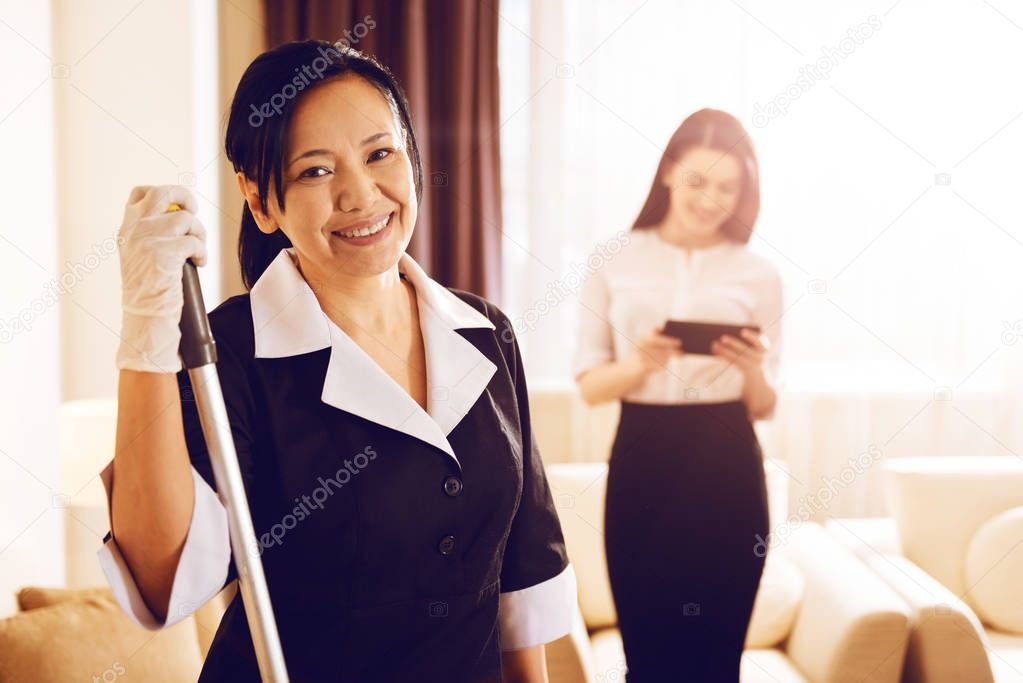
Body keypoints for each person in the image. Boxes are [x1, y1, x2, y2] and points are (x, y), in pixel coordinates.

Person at [99, 40, 576, 683]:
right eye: (315, 171)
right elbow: (162, 578)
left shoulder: (487, 333)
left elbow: (523, 587)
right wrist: (147, 334)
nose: (360, 194)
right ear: (260, 199)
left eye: (380, 154)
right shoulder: (231, 354)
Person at [573, 109, 784, 682]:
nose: (710, 198)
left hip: (730, 464)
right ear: (667, 172)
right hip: (644, 455)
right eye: (697, 180)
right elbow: (590, 385)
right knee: (646, 651)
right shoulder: (612, 258)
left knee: (718, 657)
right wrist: (640, 362)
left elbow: (765, 405)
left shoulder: (759, 273)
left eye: (726, 187)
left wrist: (755, 372)